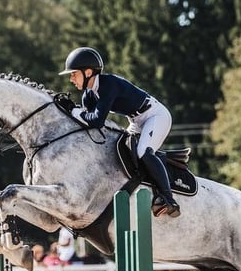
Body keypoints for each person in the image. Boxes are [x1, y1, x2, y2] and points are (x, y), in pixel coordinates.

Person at [59, 46, 180, 218]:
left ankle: (169, 199)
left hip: (155, 116)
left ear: (87, 72)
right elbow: (89, 125)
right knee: (118, 150)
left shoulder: (108, 85)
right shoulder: (88, 95)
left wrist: (73, 110)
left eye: (73, 74)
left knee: (142, 151)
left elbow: (96, 120)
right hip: (136, 121)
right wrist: (68, 112)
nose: (71, 79)